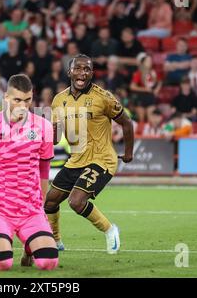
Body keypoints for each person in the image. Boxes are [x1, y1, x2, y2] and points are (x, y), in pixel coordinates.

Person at [0, 74, 59, 271]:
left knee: (48, 263)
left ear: (32, 98)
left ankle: (30, 245)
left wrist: (40, 208)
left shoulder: (44, 127)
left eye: (27, 100)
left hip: (30, 211)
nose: (22, 106)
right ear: (6, 97)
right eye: (17, 100)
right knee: (2, 263)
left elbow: (44, 172)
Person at [43, 54, 134, 254]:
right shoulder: (59, 100)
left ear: (92, 73)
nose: (82, 73)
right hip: (76, 160)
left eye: (87, 69)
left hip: (102, 160)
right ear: (69, 72)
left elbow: (126, 123)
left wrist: (128, 152)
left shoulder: (104, 97)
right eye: (78, 69)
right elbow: (56, 138)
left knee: (76, 201)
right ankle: (55, 241)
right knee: (49, 202)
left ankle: (110, 230)